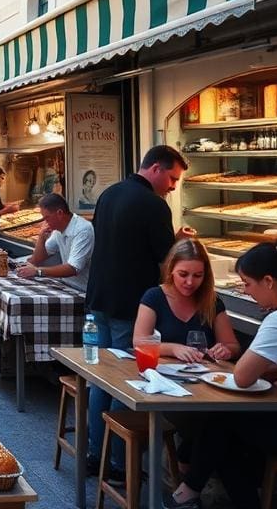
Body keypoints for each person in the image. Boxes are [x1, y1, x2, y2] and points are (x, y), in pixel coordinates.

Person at [162, 240, 277, 509]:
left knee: (223, 421)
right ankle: (192, 489)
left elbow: (242, 377)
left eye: (247, 284)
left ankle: (195, 492)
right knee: (232, 427)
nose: (247, 292)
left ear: (269, 281)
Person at [84, 144, 194, 478]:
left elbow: (117, 242)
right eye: (172, 178)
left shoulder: (109, 193)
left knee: (99, 377)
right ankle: (118, 462)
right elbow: (167, 261)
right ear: (157, 169)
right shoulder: (154, 205)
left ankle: (94, 454)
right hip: (131, 304)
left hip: (98, 297)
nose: (173, 186)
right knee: (125, 380)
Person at [133, 238, 240, 497]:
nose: (190, 282)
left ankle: (188, 479)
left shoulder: (212, 301)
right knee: (209, 420)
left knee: (221, 417)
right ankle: (190, 481)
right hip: (166, 386)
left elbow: (232, 345)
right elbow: (139, 340)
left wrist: (224, 349)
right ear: (171, 269)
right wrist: (173, 348)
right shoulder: (154, 296)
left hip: (206, 383)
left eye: (197, 275)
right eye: (183, 275)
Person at [17, 193, 93, 291]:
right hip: (65, 284)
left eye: (47, 218)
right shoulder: (58, 230)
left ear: (60, 213)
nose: (45, 222)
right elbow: (38, 259)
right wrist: (41, 237)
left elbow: (73, 268)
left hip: (82, 290)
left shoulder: (83, 230)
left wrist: (38, 271)